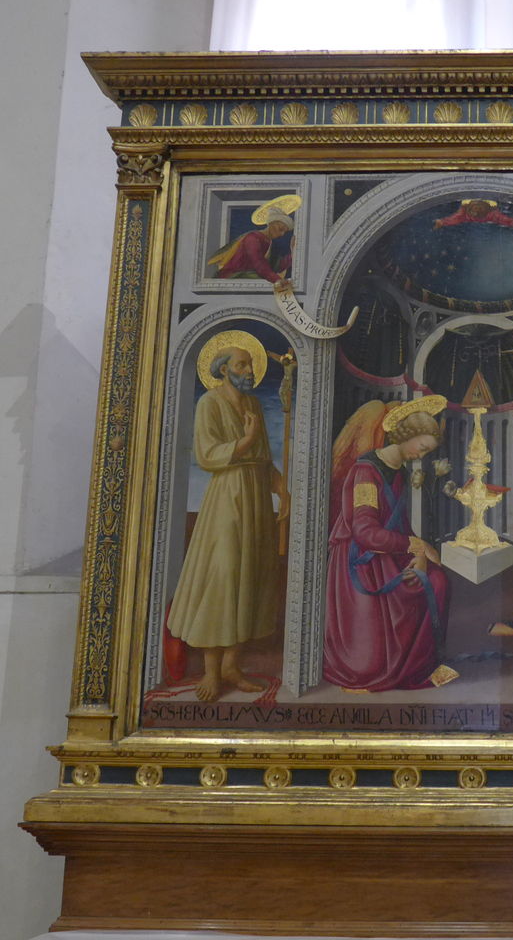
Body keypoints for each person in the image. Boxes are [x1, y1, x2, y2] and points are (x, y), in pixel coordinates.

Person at [167, 343, 290, 702]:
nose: (249, 371)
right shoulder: (209, 403)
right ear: (223, 369)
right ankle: (210, 671)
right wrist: (246, 440)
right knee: (222, 579)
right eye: (242, 365)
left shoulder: (253, 404)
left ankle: (232, 667)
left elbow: (263, 457)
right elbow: (206, 454)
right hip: (227, 497)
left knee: (248, 578)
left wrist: (282, 489)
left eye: (250, 365)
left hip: (256, 495)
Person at [324, 396, 456, 692]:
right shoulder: (366, 472)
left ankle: (417, 663)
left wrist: (419, 555)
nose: (421, 455)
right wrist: (416, 545)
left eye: (427, 452)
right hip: (360, 563)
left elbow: (399, 524)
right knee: (367, 665)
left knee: (436, 580)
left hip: (387, 554)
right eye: (422, 447)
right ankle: (391, 666)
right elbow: (365, 533)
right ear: (406, 435)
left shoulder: (399, 470)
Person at [206, 199, 296, 283]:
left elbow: (276, 265)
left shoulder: (268, 242)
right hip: (233, 276)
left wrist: (293, 253)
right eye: (280, 229)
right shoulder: (252, 238)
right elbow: (259, 264)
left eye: (284, 232)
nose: (282, 234)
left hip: (249, 276)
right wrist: (278, 281)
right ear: (271, 223)